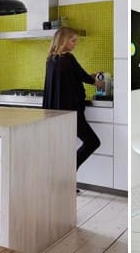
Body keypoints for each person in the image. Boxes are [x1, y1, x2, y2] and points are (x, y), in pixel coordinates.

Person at [42, 27, 105, 171]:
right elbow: (81, 75)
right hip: (71, 112)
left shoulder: (51, 59)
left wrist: (89, 76)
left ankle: (63, 181)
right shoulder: (68, 58)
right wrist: (97, 82)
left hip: (56, 113)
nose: (74, 44)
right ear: (63, 40)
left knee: (62, 148)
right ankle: (69, 172)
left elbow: (72, 76)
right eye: (73, 40)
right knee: (92, 142)